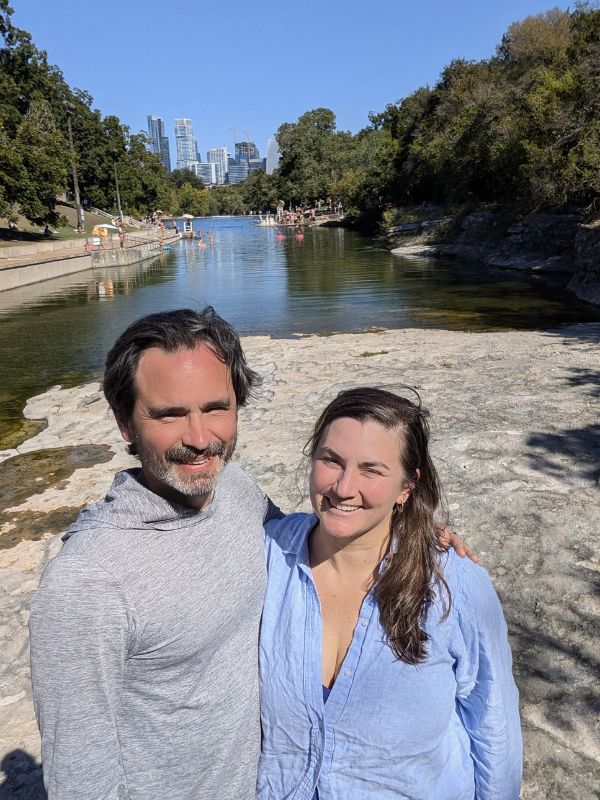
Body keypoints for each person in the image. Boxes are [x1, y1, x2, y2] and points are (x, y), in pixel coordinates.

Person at [29, 309, 472, 800]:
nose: (200, 438)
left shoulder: (236, 491)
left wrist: (406, 524)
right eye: (169, 414)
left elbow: (308, 539)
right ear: (125, 423)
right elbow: (79, 775)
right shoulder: (88, 580)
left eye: (216, 407)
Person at [258, 387, 522, 799]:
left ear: (406, 487)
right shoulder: (267, 556)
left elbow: (493, 725)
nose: (344, 488)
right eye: (331, 460)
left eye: (371, 470)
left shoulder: (454, 584)